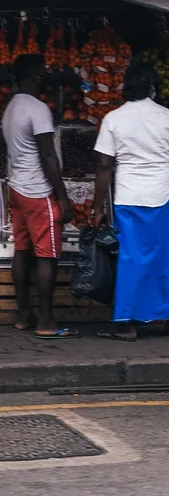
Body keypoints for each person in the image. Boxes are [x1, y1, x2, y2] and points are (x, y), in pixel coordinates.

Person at [93, 62, 169, 342]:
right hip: (160, 195)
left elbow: (103, 168)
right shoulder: (167, 116)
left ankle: (127, 323)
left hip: (128, 196)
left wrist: (96, 207)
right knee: (164, 256)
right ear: (152, 88)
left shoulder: (113, 118)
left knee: (132, 258)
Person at [3, 54, 78, 339]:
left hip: (16, 188)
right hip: (37, 190)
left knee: (22, 251)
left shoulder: (11, 108)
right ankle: (46, 322)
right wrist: (63, 197)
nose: (46, 78)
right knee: (48, 255)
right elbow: (48, 155)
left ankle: (24, 316)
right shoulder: (37, 108)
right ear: (35, 76)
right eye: (43, 74)